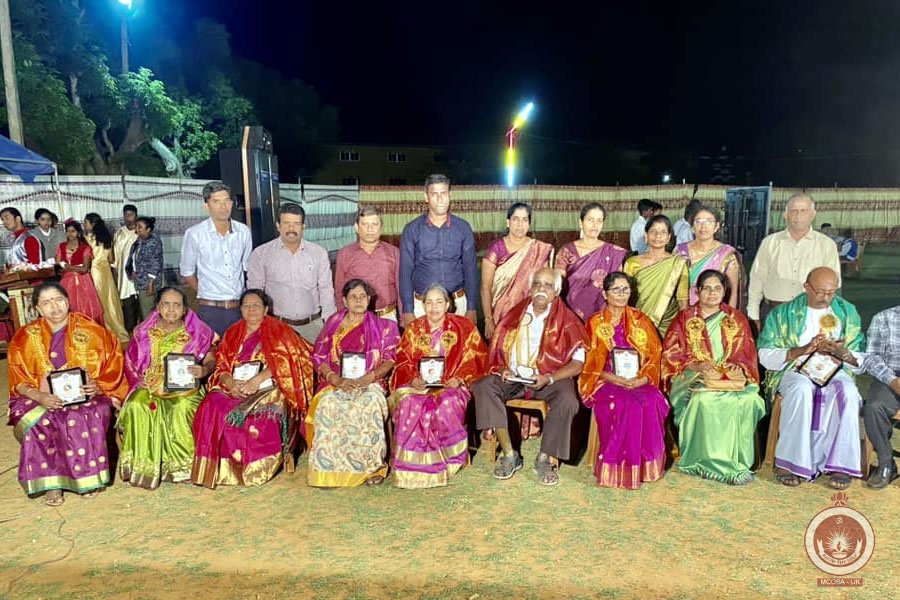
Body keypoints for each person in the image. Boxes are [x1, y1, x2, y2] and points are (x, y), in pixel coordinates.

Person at [7, 282, 127, 506]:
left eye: (58, 300)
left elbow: (113, 366)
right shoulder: (25, 337)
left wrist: (97, 387)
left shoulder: (93, 331)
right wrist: (40, 397)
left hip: (86, 397)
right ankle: (52, 483)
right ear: (38, 309)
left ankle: (86, 479)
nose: (54, 307)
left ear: (68, 301)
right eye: (46, 303)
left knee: (81, 416)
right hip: (40, 397)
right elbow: (19, 382)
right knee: (41, 419)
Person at [472, 267, 587, 486]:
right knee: (484, 386)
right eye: (537, 284)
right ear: (530, 287)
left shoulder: (568, 320)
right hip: (514, 378)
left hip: (547, 379)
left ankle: (544, 458)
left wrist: (549, 377)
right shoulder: (514, 315)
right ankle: (509, 454)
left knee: (568, 399)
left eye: (548, 285)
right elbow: (498, 351)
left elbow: (577, 364)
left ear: (557, 291)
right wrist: (503, 369)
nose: (541, 289)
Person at [192, 289, 314, 488]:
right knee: (211, 404)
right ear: (240, 309)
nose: (251, 309)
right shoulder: (233, 332)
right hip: (235, 386)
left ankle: (253, 470)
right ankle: (217, 468)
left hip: (267, 387)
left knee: (260, 417)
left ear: (266, 309)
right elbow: (221, 364)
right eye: (246, 305)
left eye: (256, 305)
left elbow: (288, 362)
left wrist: (256, 381)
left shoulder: (279, 330)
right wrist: (230, 383)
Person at [758, 267, 865, 490]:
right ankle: (790, 463)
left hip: (835, 371)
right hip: (795, 370)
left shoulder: (847, 313)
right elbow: (765, 355)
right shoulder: (783, 314)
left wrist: (843, 354)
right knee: (801, 390)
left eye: (831, 292)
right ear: (807, 287)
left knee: (849, 392)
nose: (826, 298)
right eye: (821, 292)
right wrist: (803, 350)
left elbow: (860, 357)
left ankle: (840, 465)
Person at [662, 270, 765, 485]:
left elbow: (747, 355)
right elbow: (671, 355)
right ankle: (703, 462)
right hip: (694, 375)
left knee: (749, 399)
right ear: (698, 291)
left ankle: (737, 462)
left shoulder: (736, 318)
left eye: (717, 288)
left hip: (730, 378)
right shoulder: (684, 318)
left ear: (724, 291)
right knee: (704, 400)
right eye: (707, 288)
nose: (712, 293)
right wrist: (697, 365)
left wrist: (736, 367)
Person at [390, 284, 488, 488]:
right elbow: (402, 360)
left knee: (447, 403)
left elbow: (477, 357)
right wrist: (413, 378)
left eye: (439, 302)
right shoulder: (413, 330)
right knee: (409, 404)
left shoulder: (464, 327)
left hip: (451, 386)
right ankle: (411, 465)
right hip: (419, 387)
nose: (434, 307)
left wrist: (460, 378)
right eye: (429, 302)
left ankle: (450, 458)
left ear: (448, 305)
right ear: (423, 305)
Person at [118, 287, 216, 489]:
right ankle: (142, 467)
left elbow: (210, 359)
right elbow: (129, 361)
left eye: (177, 305)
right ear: (158, 307)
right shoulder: (144, 332)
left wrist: (204, 370)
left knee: (181, 408)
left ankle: (182, 468)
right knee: (137, 405)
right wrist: (137, 379)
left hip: (184, 388)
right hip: (150, 385)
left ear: (185, 309)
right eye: (166, 304)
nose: (171, 310)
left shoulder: (196, 332)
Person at [578, 272, 669, 489]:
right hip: (605, 379)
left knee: (652, 399)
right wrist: (612, 377)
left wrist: (643, 379)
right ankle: (616, 469)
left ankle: (646, 467)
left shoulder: (640, 320)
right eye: (616, 290)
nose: (621, 294)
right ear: (605, 294)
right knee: (626, 403)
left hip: (638, 379)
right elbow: (588, 362)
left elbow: (654, 354)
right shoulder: (594, 322)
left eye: (625, 289)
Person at [306, 279, 400, 487]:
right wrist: (336, 379)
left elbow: (391, 359)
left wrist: (368, 378)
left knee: (369, 403)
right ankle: (328, 469)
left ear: (369, 299)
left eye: (363, 296)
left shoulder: (384, 327)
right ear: (344, 301)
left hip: (371, 381)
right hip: (336, 382)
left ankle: (372, 468)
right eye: (353, 297)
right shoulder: (334, 323)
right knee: (328, 404)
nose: (358, 300)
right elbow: (318, 356)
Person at [747, 193, 841, 330]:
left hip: (812, 315)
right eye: (794, 211)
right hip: (774, 314)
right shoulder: (770, 242)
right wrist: (753, 315)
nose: (798, 215)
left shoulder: (826, 245)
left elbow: (834, 285)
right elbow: (757, 280)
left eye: (804, 210)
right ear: (786, 215)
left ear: (813, 215)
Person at [247, 202, 335, 343]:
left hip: (313, 327)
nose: (291, 228)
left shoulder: (319, 254)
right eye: (286, 223)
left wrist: (330, 325)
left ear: (303, 226)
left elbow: (326, 290)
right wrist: (257, 326)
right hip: (277, 327)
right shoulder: (261, 254)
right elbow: (255, 293)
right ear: (278, 226)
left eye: (296, 224)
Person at [399, 174, 478, 327]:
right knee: (423, 343)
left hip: (458, 305)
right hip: (422, 306)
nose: (440, 199)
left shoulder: (463, 228)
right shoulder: (412, 229)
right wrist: (408, 310)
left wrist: (471, 307)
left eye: (443, 193)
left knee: (458, 343)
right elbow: (405, 272)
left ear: (450, 195)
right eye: (434, 194)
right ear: (426, 197)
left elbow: (471, 270)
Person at [180, 181, 252, 336]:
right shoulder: (195, 234)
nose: (223, 206)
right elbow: (187, 272)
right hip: (210, 311)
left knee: (240, 349)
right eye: (217, 201)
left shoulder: (243, 232)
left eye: (226, 201)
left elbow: (247, 268)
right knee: (213, 349)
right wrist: (206, 293)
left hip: (239, 308)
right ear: (206, 206)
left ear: (231, 203)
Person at [481, 202, 553, 340]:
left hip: (530, 314)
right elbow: (485, 287)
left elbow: (545, 287)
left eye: (524, 220)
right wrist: (488, 319)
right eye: (516, 219)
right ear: (508, 222)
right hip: (500, 316)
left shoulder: (539, 249)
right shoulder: (497, 249)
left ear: (529, 224)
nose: (520, 224)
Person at [554, 202, 628, 321]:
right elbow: (557, 285)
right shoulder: (567, 251)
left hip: (601, 317)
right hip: (570, 314)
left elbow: (618, 286)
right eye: (590, 220)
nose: (595, 225)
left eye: (599, 221)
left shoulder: (613, 253)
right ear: (581, 222)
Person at [622, 215, 689, 334]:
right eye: (653, 231)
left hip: (668, 325)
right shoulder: (631, 263)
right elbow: (624, 297)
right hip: (639, 323)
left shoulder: (678, 263)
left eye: (663, 232)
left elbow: (682, 300)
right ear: (646, 235)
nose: (658, 236)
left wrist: (683, 328)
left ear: (669, 238)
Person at [333, 205, 401, 322]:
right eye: (365, 224)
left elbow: (401, 288)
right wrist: (342, 319)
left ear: (381, 227)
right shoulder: (345, 254)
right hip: (356, 318)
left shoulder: (394, 253)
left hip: (387, 317)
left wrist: (404, 319)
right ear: (356, 227)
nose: (370, 229)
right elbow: (339, 291)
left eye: (374, 224)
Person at [862, 304, 900, 489]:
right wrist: (892, 381)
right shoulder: (883, 318)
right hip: (890, 376)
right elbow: (871, 357)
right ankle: (886, 463)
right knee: (874, 407)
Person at [674, 207, 743, 307]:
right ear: (692, 226)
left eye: (709, 221)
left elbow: (733, 292)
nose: (703, 226)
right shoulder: (680, 251)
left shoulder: (726, 255)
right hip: (682, 311)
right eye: (698, 221)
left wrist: (730, 315)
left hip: (714, 312)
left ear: (717, 226)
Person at [83, 213, 129, 343]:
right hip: (106, 272)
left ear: (92, 224)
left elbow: (88, 257)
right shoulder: (106, 238)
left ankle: (103, 331)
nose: (84, 225)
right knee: (110, 301)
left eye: (86, 223)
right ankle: (117, 329)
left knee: (98, 301)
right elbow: (111, 258)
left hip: (94, 271)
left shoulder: (87, 238)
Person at [56, 220, 104, 324]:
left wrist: (68, 267)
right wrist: (75, 268)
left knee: (86, 308)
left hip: (83, 282)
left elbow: (84, 269)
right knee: (69, 307)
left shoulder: (85, 248)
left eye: (72, 231)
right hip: (66, 282)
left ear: (78, 232)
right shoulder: (61, 246)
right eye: (67, 231)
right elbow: (58, 266)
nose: (70, 234)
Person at [126, 216, 165, 320]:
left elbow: (155, 264)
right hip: (141, 279)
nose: (137, 229)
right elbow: (136, 257)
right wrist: (133, 270)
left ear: (148, 229)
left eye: (140, 227)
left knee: (147, 311)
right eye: (136, 226)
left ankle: (150, 329)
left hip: (148, 282)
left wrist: (150, 284)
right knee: (146, 309)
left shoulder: (152, 242)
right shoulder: (141, 240)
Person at [112, 204, 140, 332]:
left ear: (136, 216)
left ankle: (143, 331)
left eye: (131, 215)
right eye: (126, 215)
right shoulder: (119, 233)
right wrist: (116, 275)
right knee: (128, 305)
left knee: (142, 305)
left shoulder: (141, 231)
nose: (128, 218)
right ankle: (130, 332)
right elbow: (116, 257)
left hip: (140, 275)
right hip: (124, 276)